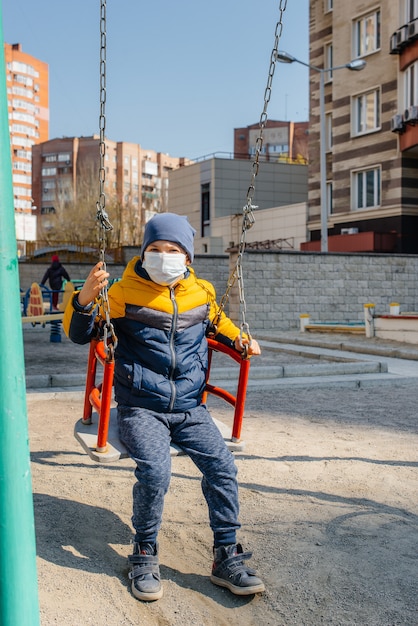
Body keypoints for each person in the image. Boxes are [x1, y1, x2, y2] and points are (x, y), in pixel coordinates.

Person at [63, 212, 265, 602]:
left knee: (223, 466)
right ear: (143, 252)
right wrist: (85, 298)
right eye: (154, 249)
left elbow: (217, 322)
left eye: (172, 250)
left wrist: (241, 339)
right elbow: (79, 333)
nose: (162, 256)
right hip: (141, 407)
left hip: (190, 407)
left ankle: (226, 554)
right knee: (157, 471)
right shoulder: (122, 292)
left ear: (187, 258)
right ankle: (144, 550)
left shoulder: (201, 292)